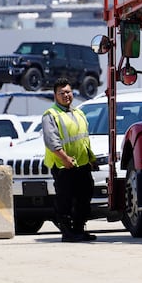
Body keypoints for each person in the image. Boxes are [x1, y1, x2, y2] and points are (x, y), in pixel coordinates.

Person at [42, 77, 97, 242]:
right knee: (65, 200)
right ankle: (67, 232)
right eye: (62, 93)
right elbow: (52, 141)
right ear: (55, 96)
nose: (66, 95)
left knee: (84, 198)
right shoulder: (51, 115)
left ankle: (79, 229)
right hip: (63, 166)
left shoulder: (78, 112)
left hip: (82, 165)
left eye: (68, 92)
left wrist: (90, 159)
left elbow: (83, 139)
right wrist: (64, 158)